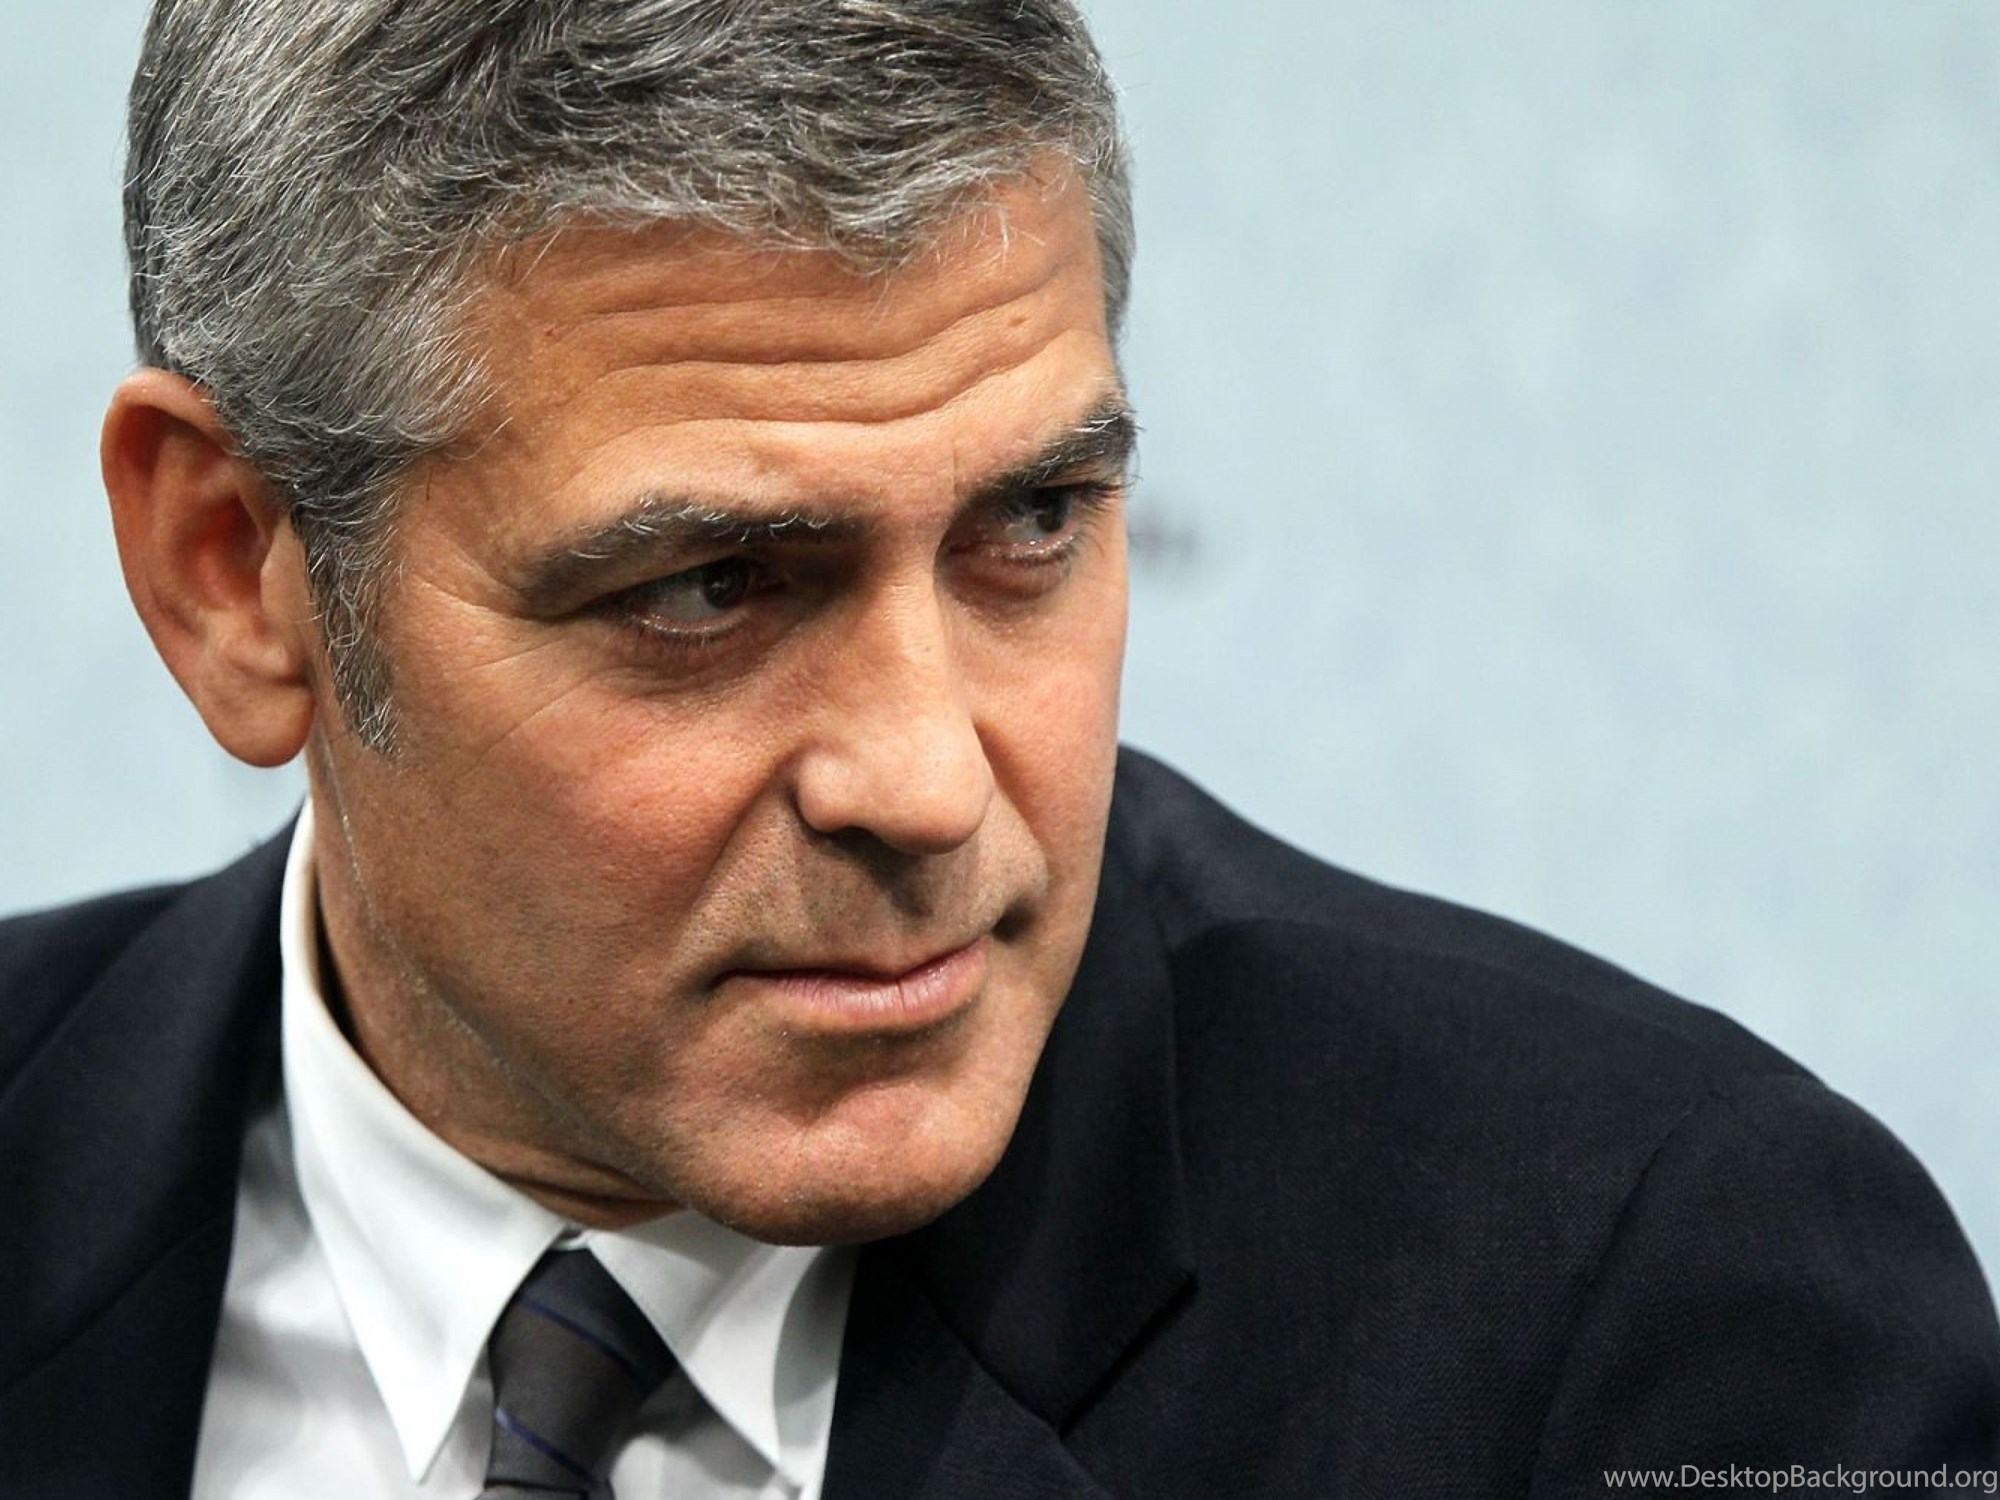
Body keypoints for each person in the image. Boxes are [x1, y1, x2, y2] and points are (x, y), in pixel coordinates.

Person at [2, 1, 1995, 1495]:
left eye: (1030, 524)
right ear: (232, 569)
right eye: (707, 588)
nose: (930, 782)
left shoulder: (1656, 1314)